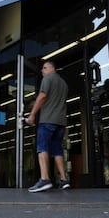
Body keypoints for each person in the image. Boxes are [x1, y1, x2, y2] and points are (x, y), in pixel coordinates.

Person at [26, 60, 70, 192]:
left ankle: (44, 180)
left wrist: (32, 114)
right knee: (57, 150)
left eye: (44, 68)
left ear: (52, 68)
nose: (42, 71)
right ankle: (63, 180)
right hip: (60, 122)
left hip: (47, 120)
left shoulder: (48, 79)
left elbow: (43, 96)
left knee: (42, 148)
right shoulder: (64, 84)